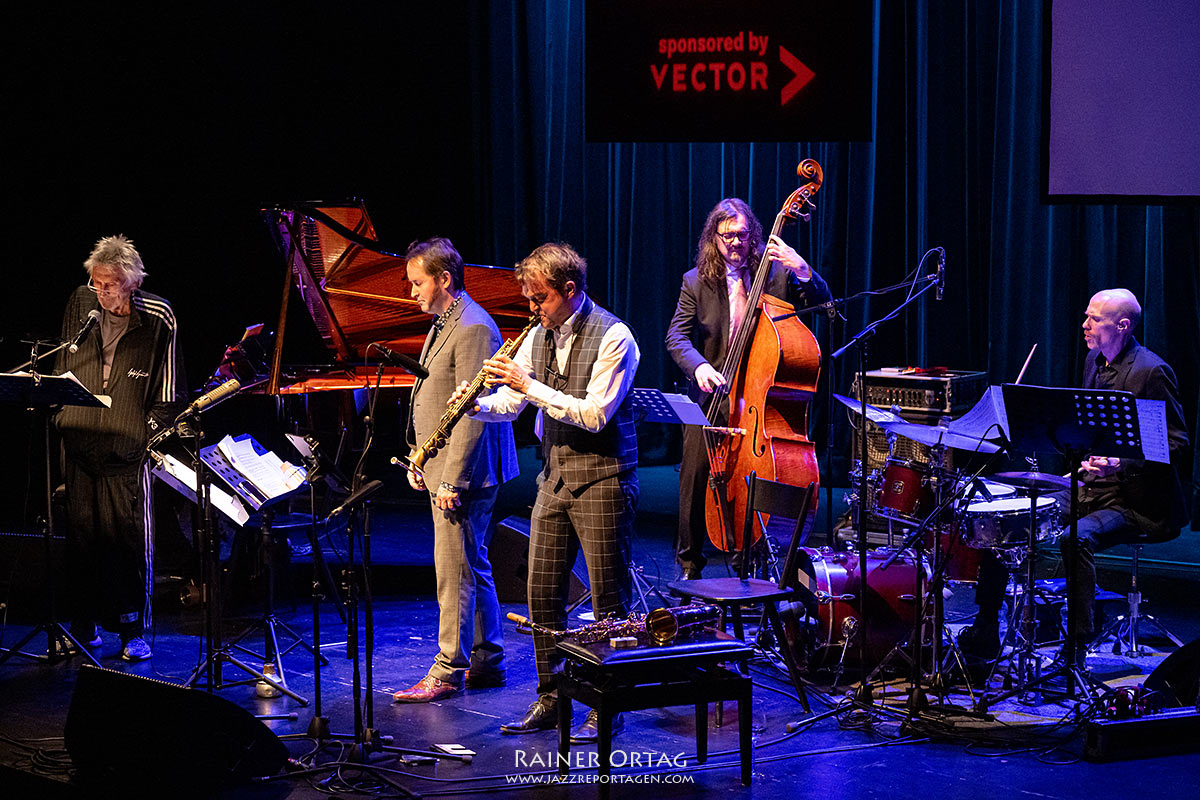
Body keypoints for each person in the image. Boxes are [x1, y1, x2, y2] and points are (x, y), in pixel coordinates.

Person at [460, 242, 640, 742]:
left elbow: (593, 413)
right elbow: (516, 403)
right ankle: (552, 695)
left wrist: (527, 385)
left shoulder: (616, 336)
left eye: (539, 299)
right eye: (529, 299)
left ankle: (609, 706)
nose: (532, 309)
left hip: (605, 478)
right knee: (542, 595)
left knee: (608, 601)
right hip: (555, 478)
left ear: (570, 290)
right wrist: (476, 405)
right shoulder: (538, 335)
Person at [960, 288, 1189, 665]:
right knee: (1006, 521)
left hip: (1137, 500)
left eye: (1094, 319)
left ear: (1122, 325)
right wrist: (1082, 461)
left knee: (1074, 539)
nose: (1084, 325)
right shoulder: (1093, 360)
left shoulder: (1152, 371)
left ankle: (1076, 648)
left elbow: (1178, 443)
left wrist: (1121, 463)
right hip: (1093, 486)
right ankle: (985, 628)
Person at [665, 197, 831, 579]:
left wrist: (803, 269)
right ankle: (689, 565)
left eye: (741, 235)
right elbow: (676, 336)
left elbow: (825, 306)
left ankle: (747, 563)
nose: (735, 243)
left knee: (755, 479)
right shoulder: (696, 280)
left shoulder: (774, 274)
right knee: (693, 476)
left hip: (759, 398)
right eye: (727, 236)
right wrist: (700, 366)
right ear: (714, 238)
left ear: (752, 234)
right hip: (712, 395)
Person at [391, 238, 517, 702]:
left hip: (466, 471)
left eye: (417, 283)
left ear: (444, 279)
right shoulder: (448, 319)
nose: (411, 293)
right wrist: (419, 455)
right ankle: (488, 659)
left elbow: (472, 413)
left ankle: (447, 669)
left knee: (455, 570)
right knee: (472, 563)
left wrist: (451, 478)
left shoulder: (473, 327)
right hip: (443, 463)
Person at [55, 234, 185, 661]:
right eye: (96, 282)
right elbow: (63, 364)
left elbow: (169, 388)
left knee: (126, 543)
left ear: (131, 282)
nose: (100, 291)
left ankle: (132, 632)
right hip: (79, 443)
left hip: (126, 452)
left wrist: (143, 435)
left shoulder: (158, 315)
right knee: (81, 539)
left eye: (108, 284)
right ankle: (82, 625)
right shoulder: (80, 301)